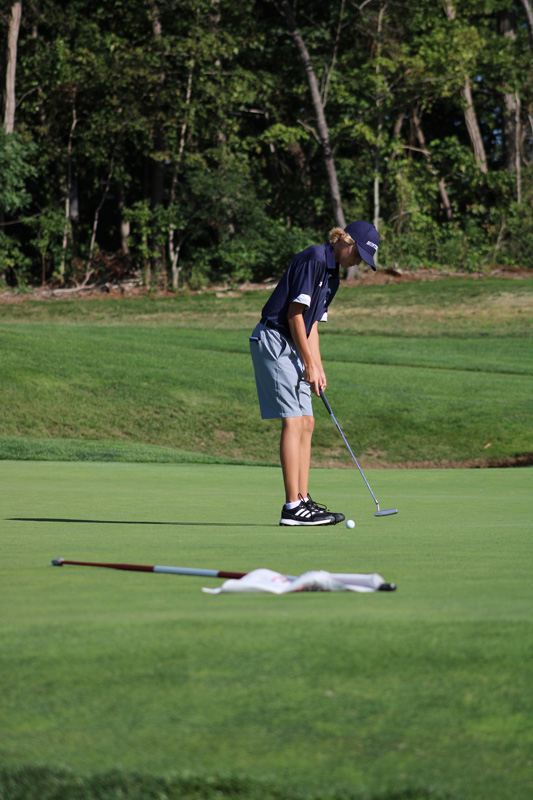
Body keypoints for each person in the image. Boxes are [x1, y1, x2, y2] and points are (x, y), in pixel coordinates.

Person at [249, 220, 380, 526]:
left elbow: (312, 327)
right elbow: (294, 315)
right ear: (345, 240)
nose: (357, 261)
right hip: (275, 340)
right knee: (293, 420)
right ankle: (293, 506)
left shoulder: (333, 277)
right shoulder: (314, 260)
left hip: (296, 345)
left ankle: (304, 499)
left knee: (308, 421)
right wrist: (308, 363)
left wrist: (318, 368)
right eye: (358, 254)